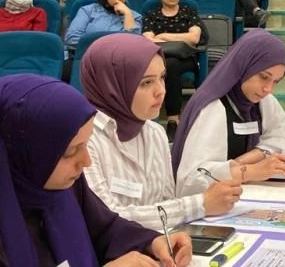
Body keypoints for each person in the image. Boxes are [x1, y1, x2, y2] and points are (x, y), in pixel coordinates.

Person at [0, 74, 192, 266]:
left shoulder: (66, 185)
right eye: (70, 152)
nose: (86, 161)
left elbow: (105, 229)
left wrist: (152, 242)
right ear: (22, 152)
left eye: (86, 144)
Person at [82, 35, 240, 230]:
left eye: (162, 77)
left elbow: (167, 202)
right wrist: (200, 204)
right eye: (146, 83)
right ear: (110, 86)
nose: (161, 91)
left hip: (158, 242)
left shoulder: (155, 132)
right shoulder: (84, 140)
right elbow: (107, 218)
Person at [172, 30, 285, 196]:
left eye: (276, 81)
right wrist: (249, 171)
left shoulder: (262, 101)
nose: (268, 89)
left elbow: (283, 137)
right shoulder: (213, 107)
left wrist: (244, 161)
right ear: (244, 66)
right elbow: (191, 180)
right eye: (264, 77)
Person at [143, 0, 208, 139]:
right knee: (168, 63)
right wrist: (181, 38)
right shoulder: (152, 14)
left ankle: (173, 119)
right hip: (158, 58)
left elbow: (194, 38)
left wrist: (164, 35)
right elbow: (148, 39)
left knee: (170, 64)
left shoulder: (189, 11)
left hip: (186, 58)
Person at [64, 0, 143, 46]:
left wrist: (128, 14)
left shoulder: (135, 16)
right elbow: (72, 38)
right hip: (87, 54)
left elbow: (133, 44)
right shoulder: (87, 11)